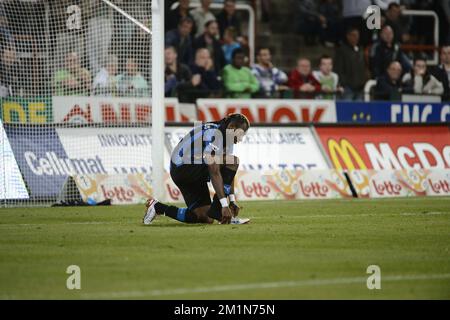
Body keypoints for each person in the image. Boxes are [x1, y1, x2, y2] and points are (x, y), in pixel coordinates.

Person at [143, 114, 252, 225]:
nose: (240, 139)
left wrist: (232, 200)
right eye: (240, 134)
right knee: (232, 161)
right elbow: (214, 169)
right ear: (232, 127)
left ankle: (157, 207)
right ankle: (220, 210)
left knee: (205, 217)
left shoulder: (227, 137)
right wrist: (224, 204)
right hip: (183, 168)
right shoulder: (214, 133)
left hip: (193, 171)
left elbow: (228, 173)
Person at [334, 27, 368, 101]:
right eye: (353, 35)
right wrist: (344, 83)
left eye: (357, 35)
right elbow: (338, 68)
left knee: (359, 111)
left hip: (360, 88)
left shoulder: (360, 50)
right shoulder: (341, 50)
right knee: (347, 110)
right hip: (348, 88)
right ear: (348, 36)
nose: (356, 37)